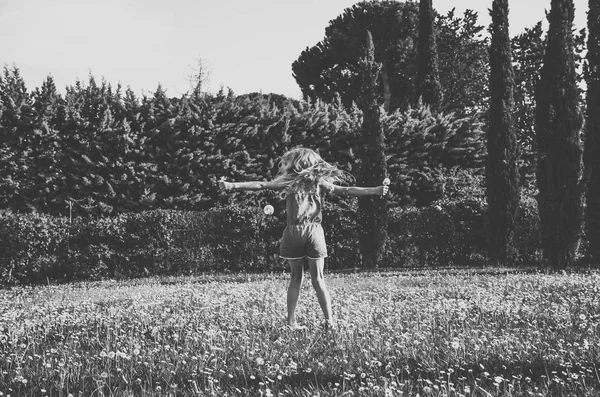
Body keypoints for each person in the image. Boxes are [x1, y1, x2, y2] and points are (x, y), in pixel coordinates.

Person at [218, 147, 389, 330]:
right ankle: (329, 321)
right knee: (319, 279)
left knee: (295, 278)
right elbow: (346, 190)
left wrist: (231, 185)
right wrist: (375, 190)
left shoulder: (289, 181)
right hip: (314, 232)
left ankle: (291, 323)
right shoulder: (319, 181)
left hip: (294, 232)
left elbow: (261, 185)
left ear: (296, 162)